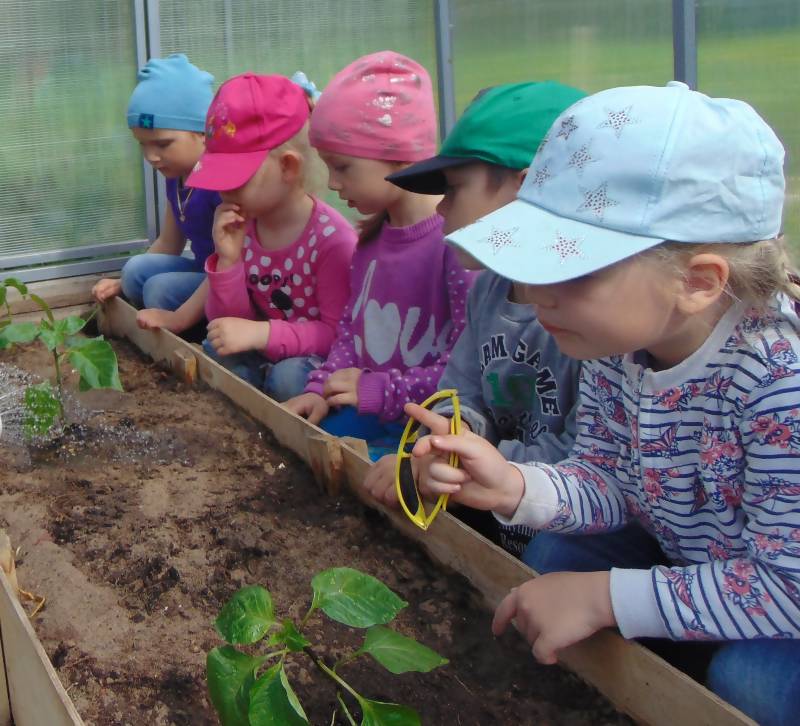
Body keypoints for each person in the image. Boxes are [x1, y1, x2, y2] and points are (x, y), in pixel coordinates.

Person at [405, 81, 799, 726]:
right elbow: (610, 479)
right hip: (698, 561)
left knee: (751, 681)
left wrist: (607, 598)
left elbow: (788, 586)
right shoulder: (620, 344)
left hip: (782, 594)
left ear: (698, 281)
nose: (534, 292)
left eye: (574, 267)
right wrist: (513, 485)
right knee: (553, 558)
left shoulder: (779, 386)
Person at [363, 82, 586, 555]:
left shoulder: (591, 316)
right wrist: (443, 446)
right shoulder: (488, 288)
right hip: (487, 490)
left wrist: (462, 463)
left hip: (559, 510)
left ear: (526, 189)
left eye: (453, 189)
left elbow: (580, 458)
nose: (441, 207)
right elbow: (461, 393)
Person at [284, 51, 474, 459]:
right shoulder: (372, 240)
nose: (332, 183)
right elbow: (351, 330)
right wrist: (320, 388)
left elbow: (466, 368)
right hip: (374, 410)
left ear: (399, 154)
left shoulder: (456, 247)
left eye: (343, 167)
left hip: (433, 429)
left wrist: (381, 390)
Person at [185, 72, 356, 402]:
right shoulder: (246, 225)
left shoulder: (333, 242)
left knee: (287, 378)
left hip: (315, 361)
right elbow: (227, 323)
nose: (222, 192)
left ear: (288, 167)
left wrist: (263, 333)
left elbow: (336, 335)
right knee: (216, 348)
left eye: (235, 180)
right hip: (263, 346)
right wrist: (229, 261)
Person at [92, 54, 220, 334]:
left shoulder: (221, 182)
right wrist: (121, 284)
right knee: (134, 271)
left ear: (202, 132)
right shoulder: (176, 177)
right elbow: (169, 242)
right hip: (203, 270)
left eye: (162, 144)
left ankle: (198, 333)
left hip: (228, 279)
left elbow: (232, 264)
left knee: (158, 290)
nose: (151, 156)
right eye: (143, 144)